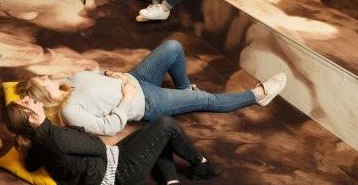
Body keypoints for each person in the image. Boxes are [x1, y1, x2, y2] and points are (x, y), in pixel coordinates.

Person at [17, 39, 287, 136]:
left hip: (135, 77)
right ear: (42, 93)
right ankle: (259, 95)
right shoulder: (71, 111)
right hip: (146, 101)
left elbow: (96, 75)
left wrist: (112, 73)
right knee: (207, 99)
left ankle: (185, 90)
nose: (47, 76)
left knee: (173, 47)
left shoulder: (67, 83)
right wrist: (127, 97)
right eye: (43, 80)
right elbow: (109, 127)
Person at [6, 97, 223, 185]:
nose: (28, 98)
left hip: (105, 169)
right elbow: (98, 147)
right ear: (33, 118)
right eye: (25, 103)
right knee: (166, 125)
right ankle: (198, 164)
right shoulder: (57, 137)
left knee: (153, 136)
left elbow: (31, 166)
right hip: (117, 177)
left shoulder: (36, 141)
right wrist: (79, 131)